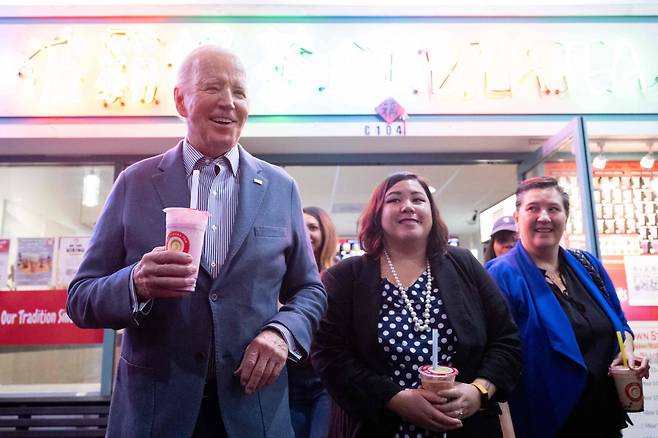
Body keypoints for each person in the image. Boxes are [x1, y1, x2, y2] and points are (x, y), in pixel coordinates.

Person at [67, 45, 327, 438]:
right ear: (180, 100)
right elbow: (81, 298)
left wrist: (282, 333)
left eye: (239, 93)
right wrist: (134, 283)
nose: (228, 102)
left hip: (253, 410)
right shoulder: (135, 183)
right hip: (155, 413)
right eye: (212, 88)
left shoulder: (280, 188)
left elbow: (309, 290)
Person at [312, 171, 521, 437]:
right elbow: (329, 356)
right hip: (378, 426)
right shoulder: (346, 276)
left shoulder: (464, 264)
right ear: (378, 214)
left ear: (431, 213)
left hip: (466, 426)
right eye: (394, 200)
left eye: (418, 200)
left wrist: (479, 391)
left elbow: (506, 340)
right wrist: (394, 398)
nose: (408, 206)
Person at [486, 176, 650, 438]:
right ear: (517, 218)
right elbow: (496, 360)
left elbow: (620, 323)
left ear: (565, 216)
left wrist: (626, 350)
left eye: (553, 209)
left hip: (604, 418)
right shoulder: (500, 275)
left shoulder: (587, 264)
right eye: (533, 209)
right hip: (547, 424)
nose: (544, 217)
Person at [288, 206, 337, 438]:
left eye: (313, 227)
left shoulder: (339, 276)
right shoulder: (282, 275)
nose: (306, 232)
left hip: (324, 381)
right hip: (288, 378)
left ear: (325, 233)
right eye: (301, 225)